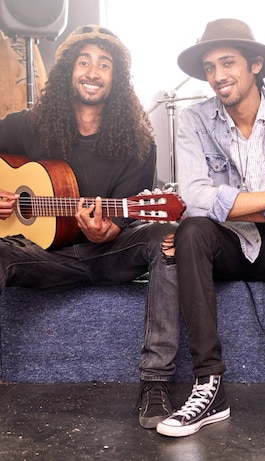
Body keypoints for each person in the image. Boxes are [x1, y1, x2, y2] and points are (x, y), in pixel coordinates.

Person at [155, 18, 265, 438]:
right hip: (227, 248)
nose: (218, 76)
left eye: (228, 63)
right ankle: (208, 385)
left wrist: (236, 206)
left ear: (255, 65)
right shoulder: (195, 119)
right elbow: (194, 197)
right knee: (192, 231)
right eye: (210, 67)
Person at [0, 25, 181, 429]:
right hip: (43, 257)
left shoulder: (139, 142)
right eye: (84, 62)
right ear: (68, 71)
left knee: (167, 234)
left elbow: (124, 219)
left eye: (104, 64)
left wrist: (108, 230)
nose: (92, 71)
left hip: (108, 255)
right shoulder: (30, 126)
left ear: (117, 77)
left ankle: (155, 383)